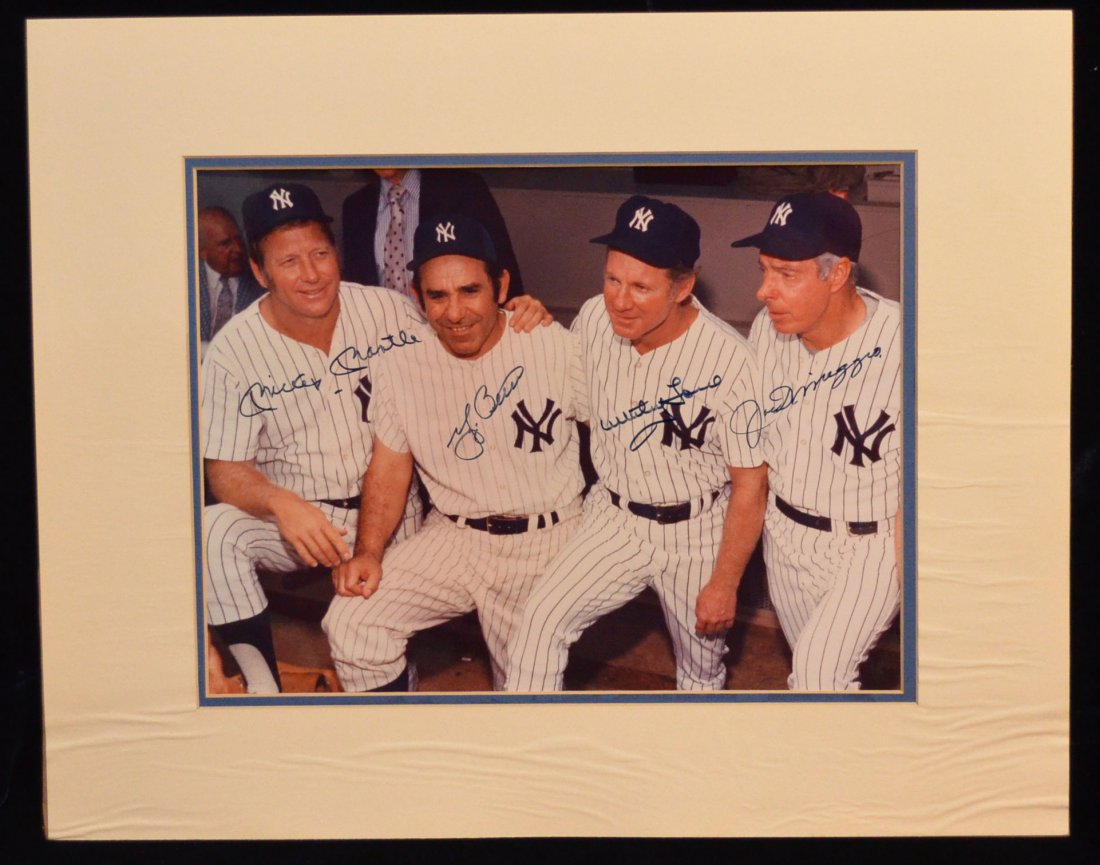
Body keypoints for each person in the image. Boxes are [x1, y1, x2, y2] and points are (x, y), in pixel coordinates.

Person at [201, 184, 549, 694]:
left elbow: (465, 328)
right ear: (259, 271)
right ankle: (263, 691)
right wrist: (279, 503)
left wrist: (518, 314)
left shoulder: (390, 310)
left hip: (393, 514)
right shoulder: (233, 351)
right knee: (214, 531)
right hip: (301, 523)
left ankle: (393, 690)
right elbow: (224, 471)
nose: (311, 273)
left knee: (370, 631)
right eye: (289, 261)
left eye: (320, 253)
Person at [505, 196, 768, 692]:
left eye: (642, 287)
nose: (620, 301)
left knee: (700, 672)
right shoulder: (592, 319)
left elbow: (750, 483)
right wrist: (529, 319)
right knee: (537, 626)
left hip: (697, 532)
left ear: (683, 287)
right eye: (613, 280)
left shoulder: (732, 361)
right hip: (615, 518)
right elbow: (580, 409)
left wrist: (725, 582)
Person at [322, 213, 584, 692]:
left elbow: (618, 432)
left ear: (501, 286)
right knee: (353, 622)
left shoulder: (554, 347)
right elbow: (389, 467)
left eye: (470, 290)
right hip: (454, 537)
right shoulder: (401, 364)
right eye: (438, 296)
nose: (455, 312)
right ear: (416, 296)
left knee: (525, 693)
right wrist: (368, 553)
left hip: (545, 540)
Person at [731, 191, 902, 690]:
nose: (764, 291)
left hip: (871, 548)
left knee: (817, 676)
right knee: (819, 684)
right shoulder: (768, 330)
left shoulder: (906, 343)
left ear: (838, 273)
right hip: (785, 538)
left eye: (787, 274)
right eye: (765, 270)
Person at [341, 168, 525, 300]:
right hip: (384, 338)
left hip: (452, 332)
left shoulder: (463, 188)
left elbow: (503, 271)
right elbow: (356, 291)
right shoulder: (355, 207)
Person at [197, 206, 266, 348]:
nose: (238, 249)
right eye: (225, 243)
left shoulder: (258, 279)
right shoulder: (186, 281)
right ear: (202, 251)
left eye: (239, 239)